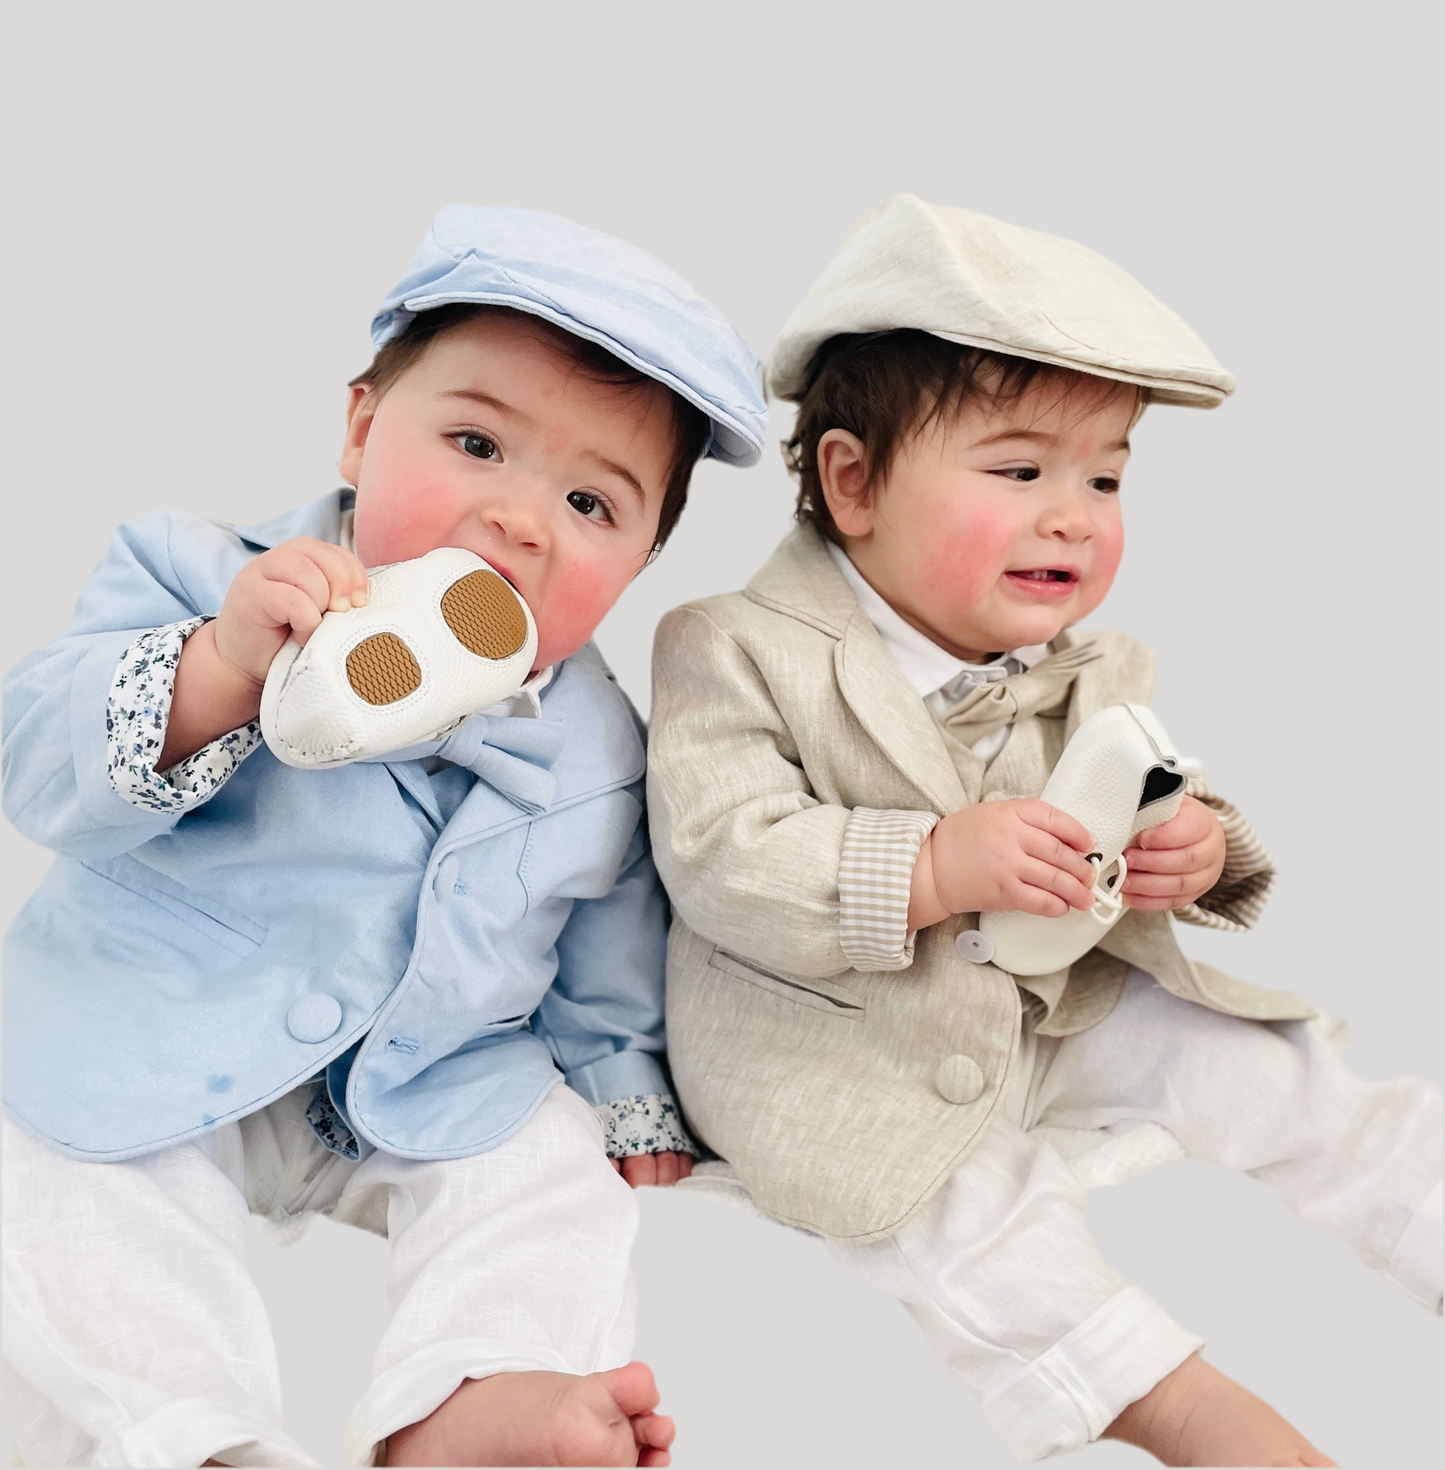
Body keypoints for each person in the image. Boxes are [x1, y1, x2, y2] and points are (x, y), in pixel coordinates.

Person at [647, 193, 1442, 1466]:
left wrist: (1192, 851)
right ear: (850, 483)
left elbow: (1151, 802)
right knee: (971, 1222)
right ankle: (1178, 1409)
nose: (1073, 514)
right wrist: (926, 863)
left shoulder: (1086, 665)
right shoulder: (730, 647)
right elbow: (720, 857)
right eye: (1019, 471)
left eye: (1105, 478)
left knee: (1273, 1066)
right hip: (839, 1049)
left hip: (1050, 1002)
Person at [2, 204, 766, 1468]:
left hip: (426, 1077)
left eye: (590, 501)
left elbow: (605, 941)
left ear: (636, 564)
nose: (523, 519)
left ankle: (472, 1400)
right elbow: (37, 762)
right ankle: (192, 1430)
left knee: (548, 1182)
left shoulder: (600, 742)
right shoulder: (196, 572)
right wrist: (219, 670)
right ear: (362, 428)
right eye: (477, 443)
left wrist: (629, 1096)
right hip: (146, 1020)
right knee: (67, 1195)